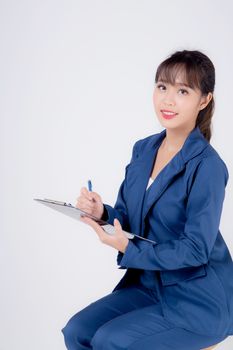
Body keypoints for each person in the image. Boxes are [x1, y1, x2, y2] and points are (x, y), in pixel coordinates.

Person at [61, 49, 233, 349]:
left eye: (183, 91)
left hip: (196, 300)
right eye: (162, 87)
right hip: (148, 285)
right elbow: (128, 217)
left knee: (110, 340)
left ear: (203, 100)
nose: (167, 100)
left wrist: (129, 248)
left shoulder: (208, 166)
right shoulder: (143, 150)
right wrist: (101, 210)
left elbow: (196, 249)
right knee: (76, 331)